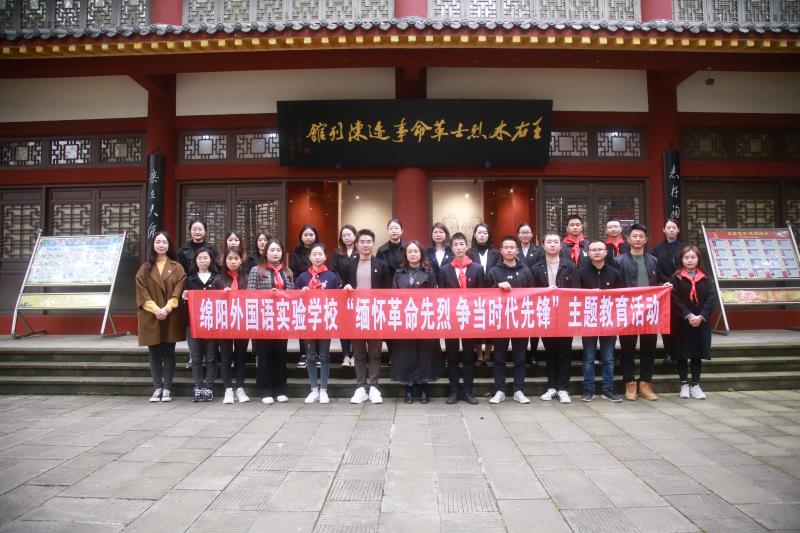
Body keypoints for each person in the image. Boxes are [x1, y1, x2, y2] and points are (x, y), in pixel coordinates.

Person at [615, 223, 668, 401]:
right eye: (634, 236)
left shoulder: (653, 261)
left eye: (641, 237)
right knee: (627, 349)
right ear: (628, 239)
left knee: (649, 349)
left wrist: (664, 286)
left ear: (646, 240)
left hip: (649, 312)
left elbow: (659, 281)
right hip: (628, 312)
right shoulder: (619, 261)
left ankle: (645, 384)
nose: (638, 239)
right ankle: (629, 383)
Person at [341, 229, 393, 404]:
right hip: (356, 314)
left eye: (368, 241)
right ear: (356, 244)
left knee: (375, 353)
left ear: (373, 243)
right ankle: (361, 387)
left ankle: (374, 387)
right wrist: (345, 288)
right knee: (359, 353)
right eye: (362, 242)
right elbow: (342, 287)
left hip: (376, 313)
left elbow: (387, 292)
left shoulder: (381, 265)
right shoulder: (349, 265)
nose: (365, 245)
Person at [135, 231, 186, 403]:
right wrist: (157, 310)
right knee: (154, 353)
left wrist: (167, 308)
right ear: (153, 245)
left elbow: (178, 291)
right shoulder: (145, 268)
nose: (161, 245)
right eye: (158, 242)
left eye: (164, 242)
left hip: (170, 315)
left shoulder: (177, 267)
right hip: (151, 315)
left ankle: (167, 388)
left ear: (169, 245)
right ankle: (157, 387)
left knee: (169, 353)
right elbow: (142, 293)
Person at [389, 240, 441, 404]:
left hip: (425, 319)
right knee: (407, 355)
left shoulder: (429, 272)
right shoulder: (399, 273)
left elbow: (435, 296)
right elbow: (394, 296)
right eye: (410, 251)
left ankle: (424, 388)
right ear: (405, 254)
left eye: (416, 251)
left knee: (425, 354)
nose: (413, 254)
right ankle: (408, 389)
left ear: (421, 254)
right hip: (405, 320)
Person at [486, 236, 536, 404]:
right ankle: (499, 390)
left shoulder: (525, 271)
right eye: (505, 247)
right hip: (500, 320)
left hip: (520, 320)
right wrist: (496, 287)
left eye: (512, 247)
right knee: (499, 357)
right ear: (500, 251)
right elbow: (484, 296)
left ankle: (518, 390)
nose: (509, 250)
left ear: (517, 250)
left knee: (520, 357)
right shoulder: (493, 272)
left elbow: (532, 295)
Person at [532, 232, 579, 404]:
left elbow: (576, 290)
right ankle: (552, 386)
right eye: (549, 242)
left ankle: (563, 388)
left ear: (561, 245)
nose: (552, 245)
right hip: (546, 315)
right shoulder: (536, 267)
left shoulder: (570, 266)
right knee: (550, 353)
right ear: (543, 245)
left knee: (564, 353)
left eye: (555, 242)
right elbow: (532, 292)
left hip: (565, 315)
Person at [440, 232, 485, 404]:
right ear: (451, 248)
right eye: (455, 245)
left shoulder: (477, 268)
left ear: (467, 246)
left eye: (461, 244)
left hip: (469, 319)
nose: (458, 248)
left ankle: (468, 391)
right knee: (451, 356)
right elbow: (441, 296)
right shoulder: (444, 269)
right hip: (451, 319)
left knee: (468, 356)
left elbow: (482, 294)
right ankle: (453, 391)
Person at [248, 238, 294, 404]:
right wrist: (268, 295)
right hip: (264, 319)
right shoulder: (256, 270)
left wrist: (281, 295)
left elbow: (292, 295)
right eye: (272, 250)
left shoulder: (287, 272)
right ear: (266, 252)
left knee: (280, 355)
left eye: (278, 250)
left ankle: (280, 389)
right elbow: (250, 293)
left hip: (281, 319)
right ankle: (265, 390)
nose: (275, 253)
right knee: (264, 355)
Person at [295, 243, 342, 404]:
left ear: (325, 256)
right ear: (309, 257)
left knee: (324, 356)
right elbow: (293, 297)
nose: (317, 257)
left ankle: (324, 390)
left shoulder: (331, 277)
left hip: (324, 321)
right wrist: (301, 293)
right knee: (310, 356)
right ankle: (313, 389)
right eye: (314, 254)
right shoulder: (303, 277)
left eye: (320, 254)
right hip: (308, 321)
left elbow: (338, 298)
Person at [578, 241, 623, 403]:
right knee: (588, 357)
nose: (597, 252)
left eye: (600, 249)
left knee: (608, 357)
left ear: (606, 252)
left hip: (608, 319)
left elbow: (621, 296)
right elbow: (575, 295)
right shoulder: (581, 272)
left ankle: (607, 389)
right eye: (593, 250)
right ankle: (588, 389)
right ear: (588, 253)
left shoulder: (614, 273)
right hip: (588, 319)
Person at [671, 245, 717, 400]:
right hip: (682, 321)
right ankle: (684, 384)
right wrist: (689, 315)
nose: (689, 260)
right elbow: (674, 299)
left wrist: (701, 316)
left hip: (700, 322)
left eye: (693, 257)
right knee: (682, 353)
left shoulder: (706, 278)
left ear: (698, 259)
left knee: (697, 354)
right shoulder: (676, 278)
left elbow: (711, 299)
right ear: (681, 259)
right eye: (686, 257)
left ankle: (696, 385)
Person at [178, 220, 219, 368]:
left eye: (200, 229)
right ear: (190, 231)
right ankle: (193, 355)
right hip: (192, 286)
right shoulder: (183, 251)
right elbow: (181, 271)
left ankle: (211, 356)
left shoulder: (212, 249)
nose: (197, 231)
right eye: (194, 229)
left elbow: (216, 267)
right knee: (194, 323)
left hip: (208, 288)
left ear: (205, 231)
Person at [213, 246, 250, 404]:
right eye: (230, 259)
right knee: (226, 357)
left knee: (241, 357)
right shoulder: (218, 280)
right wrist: (222, 295)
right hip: (225, 323)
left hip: (242, 322)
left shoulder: (247, 279)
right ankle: (228, 389)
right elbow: (211, 302)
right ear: (224, 261)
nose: (233, 262)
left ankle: (240, 388)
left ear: (241, 260)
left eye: (236, 258)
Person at [181, 247, 219, 402]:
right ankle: (198, 387)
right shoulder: (189, 279)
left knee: (211, 357)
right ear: (195, 261)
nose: (203, 261)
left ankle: (209, 388)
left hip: (212, 323)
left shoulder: (217, 278)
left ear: (211, 260)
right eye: (200, 258)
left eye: (205, 258)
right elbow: (183, 303)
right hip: (194, 324)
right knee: (196, 358)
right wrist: (184, 298)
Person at [467, 222, 500, 367]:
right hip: (475, 293)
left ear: (488, 235)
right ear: (475, 235)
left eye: (485, 233)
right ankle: (479, 355)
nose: (482, 235)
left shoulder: (496, 253)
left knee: (491, 323)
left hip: (492, 292)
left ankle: (487, 355)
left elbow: (498, 270)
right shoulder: (469, 252)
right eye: (479, 233)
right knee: (477, 324)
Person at [654, 219, 684, 363]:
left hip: (682, 288)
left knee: (680, 323)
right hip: (664, 289)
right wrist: (666, 282)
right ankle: (668, 352)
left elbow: (688, 265)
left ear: (678, 230)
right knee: (666, 322)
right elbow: (656, 269)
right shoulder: (657, 249)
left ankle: (680, 352)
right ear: (663, 230)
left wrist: (677, 281)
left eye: (674, 227)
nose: (671, 230)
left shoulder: (685, 248)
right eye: (668, 227)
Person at [290, 224, 320, 368]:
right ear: (301, 237)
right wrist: (301, 286)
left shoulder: (320, 250)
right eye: (305, 235)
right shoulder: (296, 253)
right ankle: (303, 353)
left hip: (318, 293)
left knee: (317, 322)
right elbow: (293, 273)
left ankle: (317, 353)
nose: (308, 237)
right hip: (302, 291)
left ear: (315, 236)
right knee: (303, 323)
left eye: (311, 234)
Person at [331, 224, 358, 367]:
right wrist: (341, 284)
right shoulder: (337, 252)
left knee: (355, 324)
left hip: (357, 292)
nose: (347, 237)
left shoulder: (360, 251)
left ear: (355, 235)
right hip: (342, 293)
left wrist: (355, 286)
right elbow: (333, 270)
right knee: (344, 325)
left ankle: (355, 355)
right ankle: (346, 355)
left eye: (349, 235)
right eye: (344, 235)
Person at [517, 222, 544, 364]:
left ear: (532, 235)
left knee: (534, 324)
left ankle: (533, 353)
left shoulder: (539, 251)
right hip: (518, 291)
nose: (525, 235)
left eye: (527, 232)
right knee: (520, 323)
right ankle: (521, 353)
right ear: (518, 235)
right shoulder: (513, 249)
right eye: (522, 232)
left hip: (535, 290)